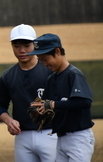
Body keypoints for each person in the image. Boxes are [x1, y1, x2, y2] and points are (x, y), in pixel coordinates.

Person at [0, 24, 57, 162]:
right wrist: (9, 121)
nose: (22, 50)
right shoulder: (8, 76)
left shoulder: (50, 71)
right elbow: (0, 106)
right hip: (22, 136)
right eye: (16, 46)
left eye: (26, 45)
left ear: (35, 45)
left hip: (50, 132)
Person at [29, 33, 95, 162]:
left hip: (78, 137)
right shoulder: (51, 79)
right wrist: (41, 111)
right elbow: (47, 104)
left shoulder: (74, 74)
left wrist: (54, 105)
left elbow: (85, 102)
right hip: (60, 138)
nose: (43, 63)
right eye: (40, 60)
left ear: (57, 51)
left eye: (45, 59)